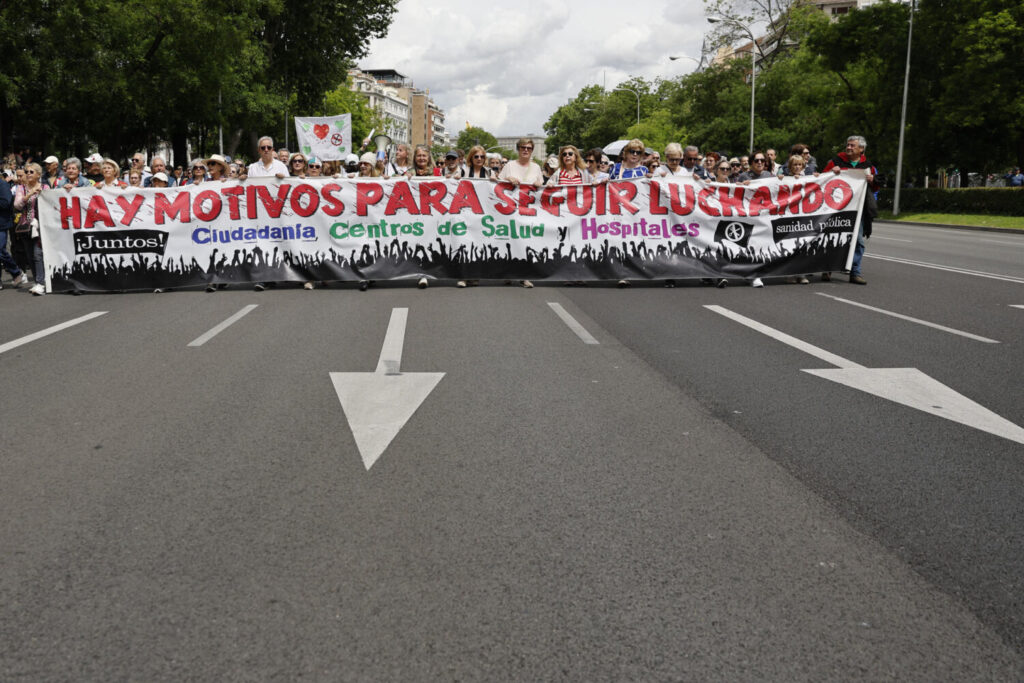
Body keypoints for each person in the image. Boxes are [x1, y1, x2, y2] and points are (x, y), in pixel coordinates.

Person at [822, 135, 877, 285]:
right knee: (833, 238)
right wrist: (830, 172)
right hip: (836, 210)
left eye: (852, 145)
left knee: (858, 241)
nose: (849, 147)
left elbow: (876, 186)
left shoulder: (868, 165)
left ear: (861, 149)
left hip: (858, 210)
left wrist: (873, 180)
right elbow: (821, 180)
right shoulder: (835, 161)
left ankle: (855, 272)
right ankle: (827, 269)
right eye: (848, 144)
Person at [13, 163, 46, 295]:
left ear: (38, 174)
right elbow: (17, 205)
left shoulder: (45, 187)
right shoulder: (22, 188)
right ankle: (38, 281)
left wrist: (42, 193)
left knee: (38, 254)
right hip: (26, 225)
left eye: (31, 172)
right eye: (27, 172)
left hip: (41, 225)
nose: (28, 174)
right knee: (30, 255)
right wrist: (29, 194)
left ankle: (41, 282)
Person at [0, 172, 30, 290]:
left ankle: (16, 272)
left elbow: (6, 203)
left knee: (0, 250)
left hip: (1, 224)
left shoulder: (2, 185)